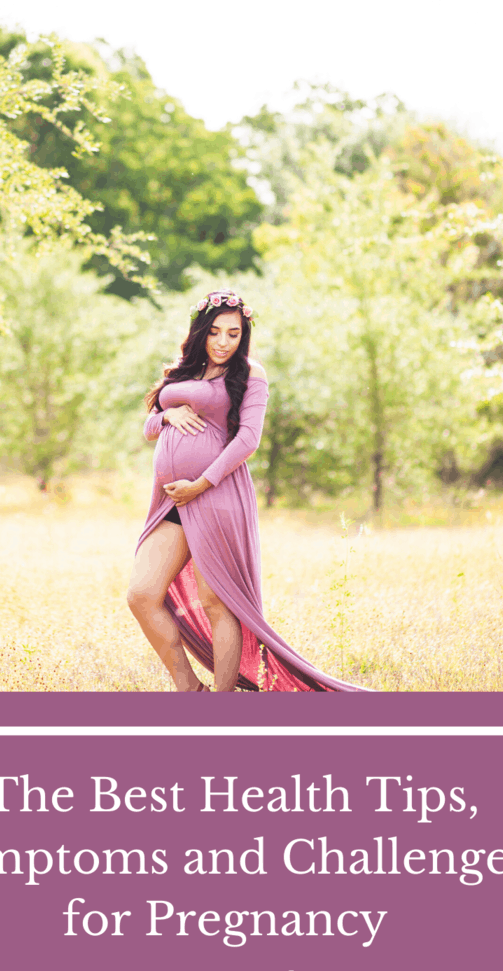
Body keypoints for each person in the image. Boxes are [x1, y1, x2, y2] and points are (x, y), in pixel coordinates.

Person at [127, 290, 368, 692]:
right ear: (201, 332)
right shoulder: (183, 371)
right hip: (172, 501)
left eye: (234, 334)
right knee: (141, 594)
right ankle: (189, 688)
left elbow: (247, 441)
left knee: (215, 600)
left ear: (244, 336)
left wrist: (201, 483)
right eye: (216, 332)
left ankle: (222, 704)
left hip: (215, 495)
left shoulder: (250, 373)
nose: (224, 342)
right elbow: (149, 426)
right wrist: (168, 413)